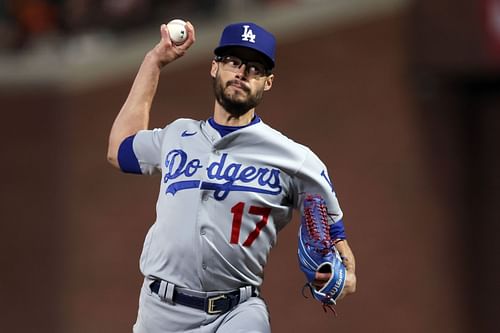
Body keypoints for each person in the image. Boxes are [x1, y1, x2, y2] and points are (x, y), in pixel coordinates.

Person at [107, 21, 356, 333]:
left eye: (254, 68)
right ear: (215, 68)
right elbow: (119, 149)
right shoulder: (177, 135)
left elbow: (338, 247)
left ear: (267, 82)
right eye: (233, 62)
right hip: (160, 311)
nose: (242, 73)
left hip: (236, 312)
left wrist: (341, 274)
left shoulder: (296, 159)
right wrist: (153, 61)